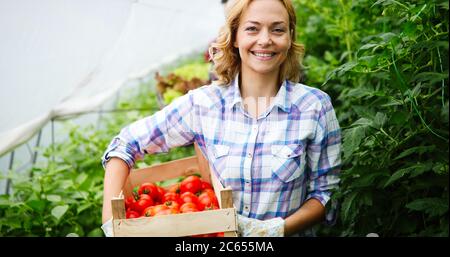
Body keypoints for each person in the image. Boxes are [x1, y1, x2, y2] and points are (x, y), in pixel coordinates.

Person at [101, 0, 341, 237]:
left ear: (289, 38)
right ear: (235, 37)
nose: (265, 39)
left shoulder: (314, 107)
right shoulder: (204, 105)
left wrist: (277, 230)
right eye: (252, 28)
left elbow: (325, 195)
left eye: (277, 29)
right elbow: (124, 145)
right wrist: (112, 224)